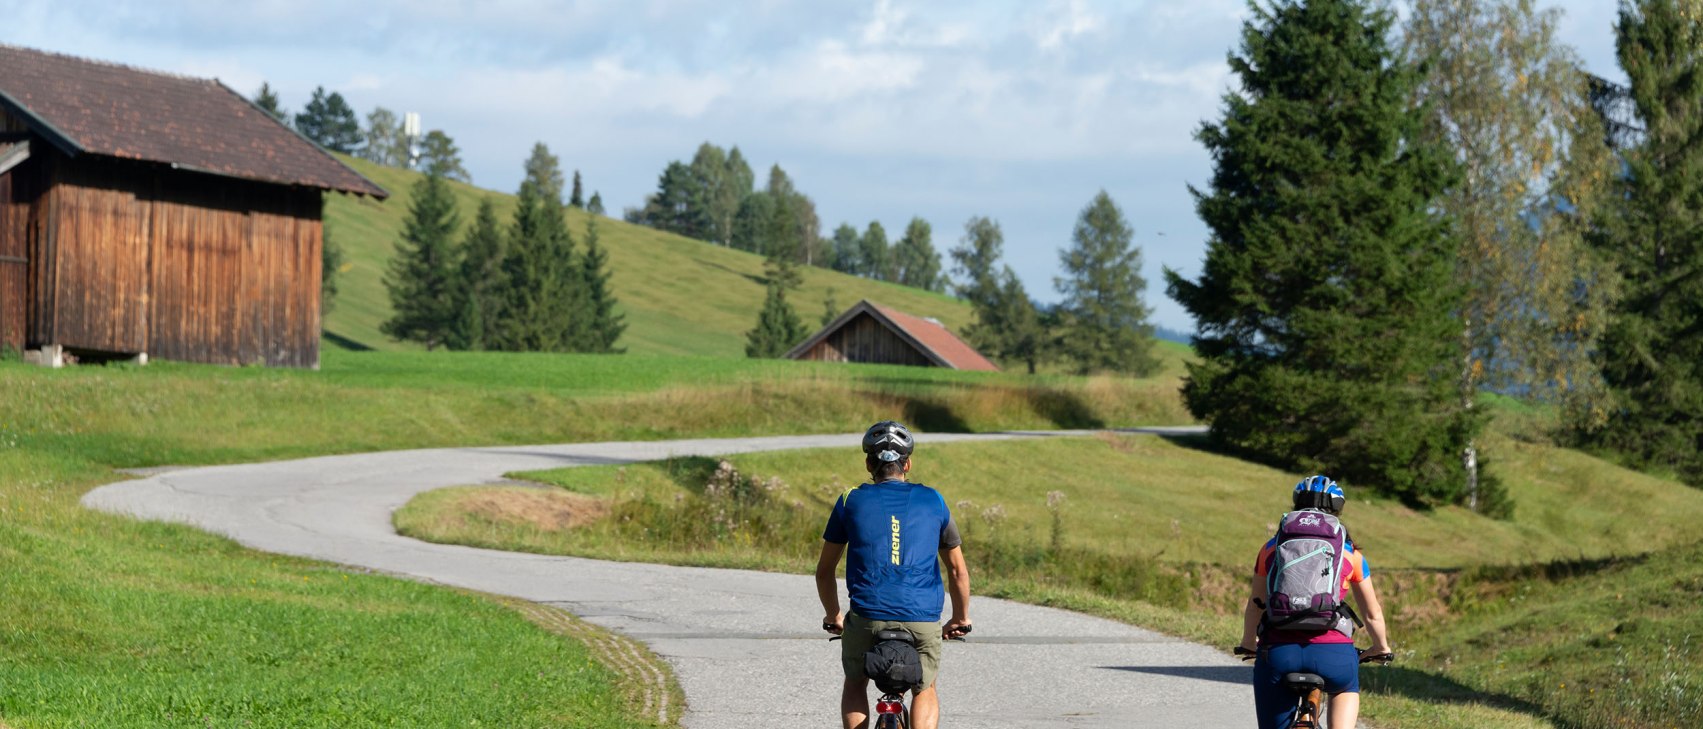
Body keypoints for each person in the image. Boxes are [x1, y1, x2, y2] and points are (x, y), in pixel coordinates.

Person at [816, 421, 972, 729]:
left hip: (867, 616)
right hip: (922, 618)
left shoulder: (850, 500)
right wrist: (960, 618)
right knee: (924, 687)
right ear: (908, 463)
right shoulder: (934, 500)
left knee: (855, 682)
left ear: (868, 464)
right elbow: (957, 570)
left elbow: (824, 571)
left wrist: (834, 615)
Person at [1238, 476, 1392, 729]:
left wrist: (1247, 643)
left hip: (1278, 653)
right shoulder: (1351, 554)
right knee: (1345, 686)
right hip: (1334, 655)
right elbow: (1372, 613)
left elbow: (1256, 603)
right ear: (1338, 509)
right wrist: (1380, 647)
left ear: (1296, 504)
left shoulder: (1270, 548)